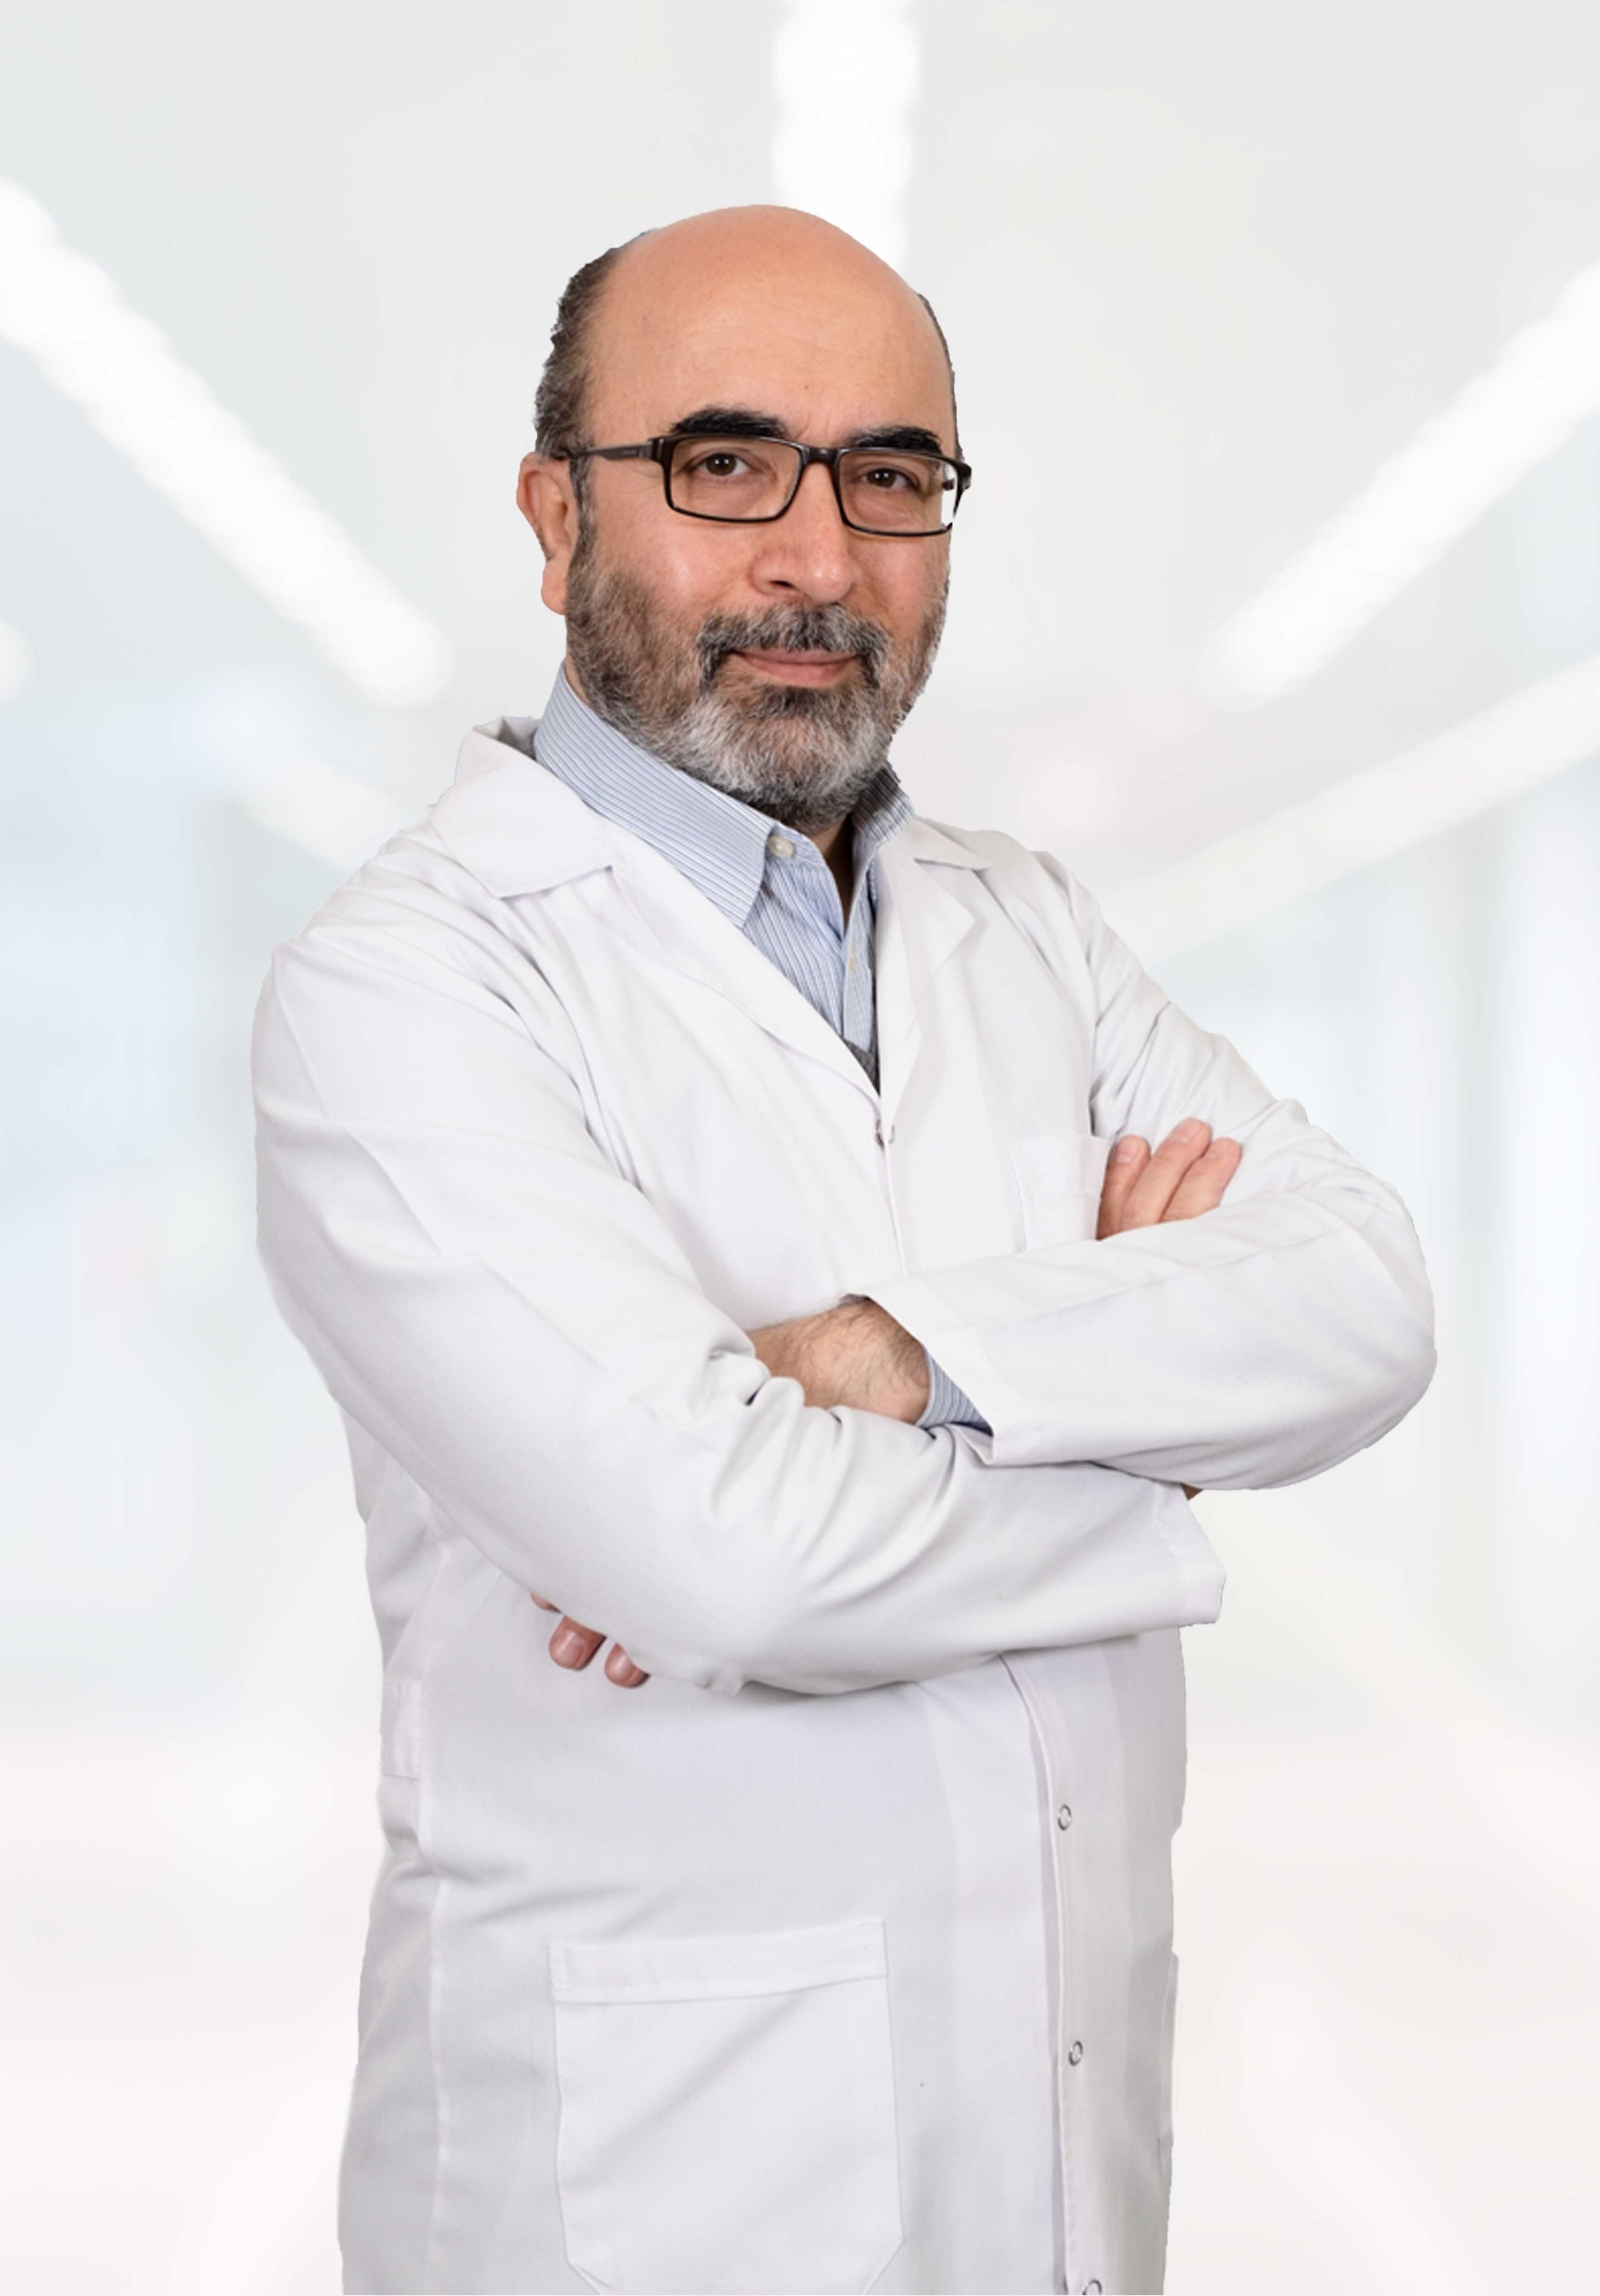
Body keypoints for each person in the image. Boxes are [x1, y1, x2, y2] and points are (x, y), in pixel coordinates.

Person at [252, 206, 1435, 2296]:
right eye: (724, 463)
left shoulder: (1027, 924)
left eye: (890, 474)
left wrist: (890, 1355)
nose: (816, 555)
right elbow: (732, 1554)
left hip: (1056, 2173)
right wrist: (1149, 1441)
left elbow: (1364, 1294)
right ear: (555, 514)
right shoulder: (413, 985)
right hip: (644, 2199)